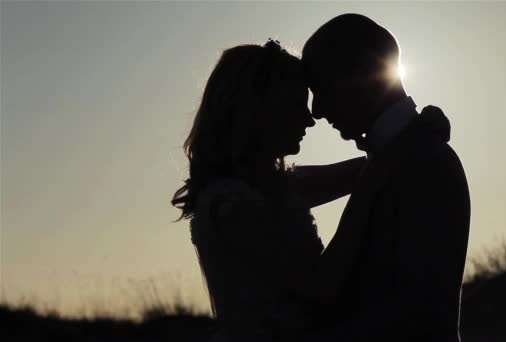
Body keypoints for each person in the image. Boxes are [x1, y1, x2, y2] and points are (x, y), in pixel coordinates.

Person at [171, 39, 371, 341]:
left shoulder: (271, 187)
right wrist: (368, 200)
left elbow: (366, 172)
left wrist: (409, 138)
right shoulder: (231, 205)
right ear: (262, 111)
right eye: (296, 104)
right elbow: (320, 287)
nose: (309, 119)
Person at [299, 13, 471, 342]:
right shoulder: (399, 157)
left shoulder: (425, 161)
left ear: (366, 69)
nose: (317, 110)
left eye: (322, 87)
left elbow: (413, 315)